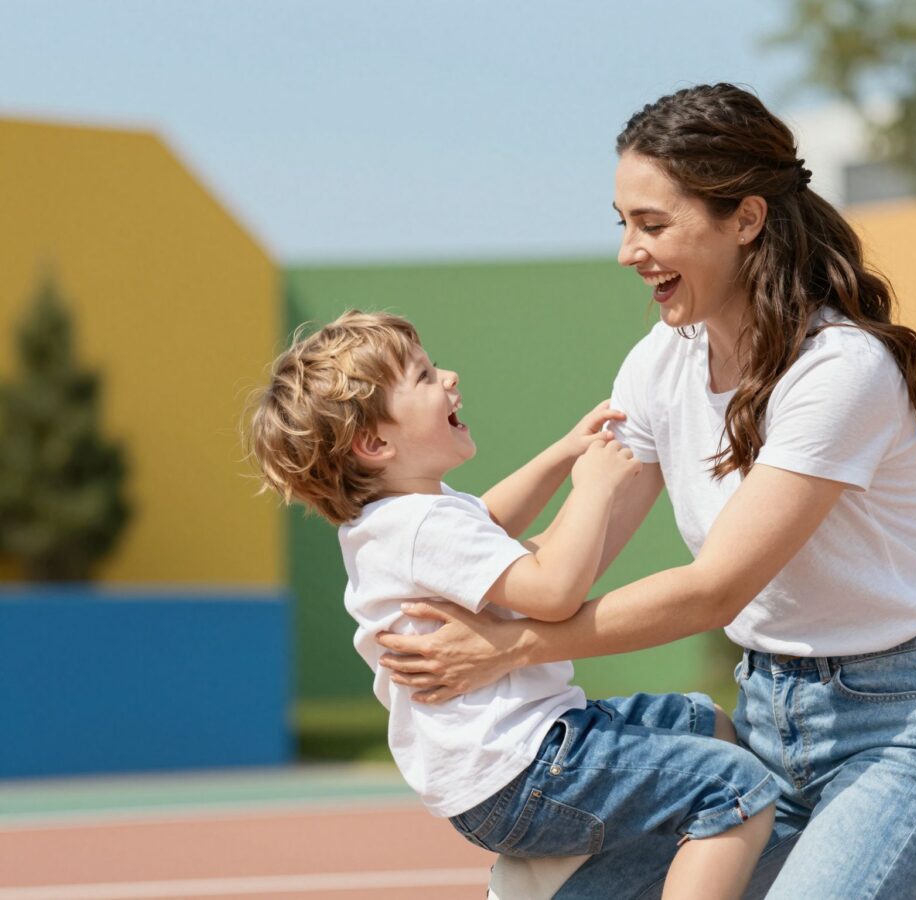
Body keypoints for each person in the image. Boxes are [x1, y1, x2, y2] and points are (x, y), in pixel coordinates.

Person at [375, 84, 916, 900]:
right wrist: (452, 600)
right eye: (622, 224)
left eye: (653, 224)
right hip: (761, 727)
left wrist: (507, 649)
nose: (629, 251)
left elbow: (715, 588)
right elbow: (571, 561)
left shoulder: (838, 371)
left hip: (896, 732)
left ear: (746, 218)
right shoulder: (660, 364)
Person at [248, 310, 778, 900]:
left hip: (525, 759)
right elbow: (553, 593)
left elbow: (491, 520)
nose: (448, 376)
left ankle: (558, 886)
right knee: (735, 790)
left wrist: (562, 454)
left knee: (706, 724)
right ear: (375, 443)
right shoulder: (420, 527)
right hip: (525, 769)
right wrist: (593, 488)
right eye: (423, 377)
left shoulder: (403, 519)